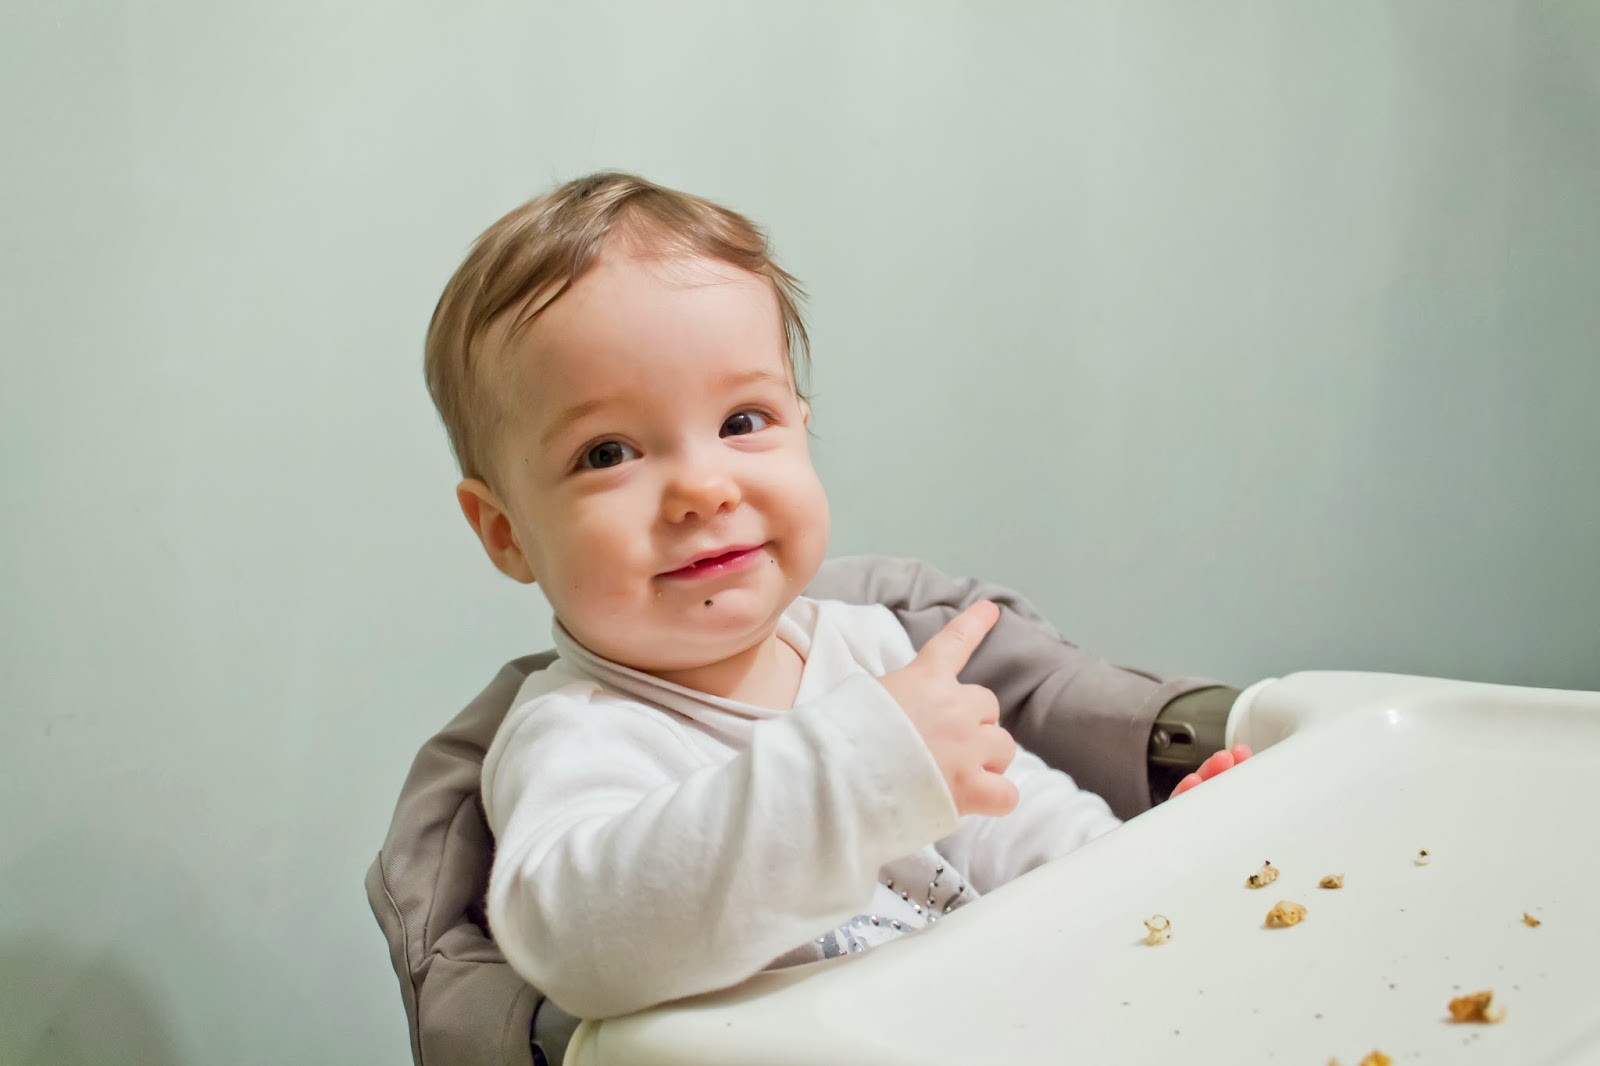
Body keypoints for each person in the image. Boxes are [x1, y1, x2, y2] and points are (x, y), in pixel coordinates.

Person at [421, 172, 1249, 1024]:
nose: (704, 488)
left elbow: (1012, 820)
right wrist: (859, 775)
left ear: (801, 424)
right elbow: (582, 943)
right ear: (506, 533)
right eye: (607, 453)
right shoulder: (579, 733)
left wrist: (1147, 868)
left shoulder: (874, 650)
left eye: (743, 421)